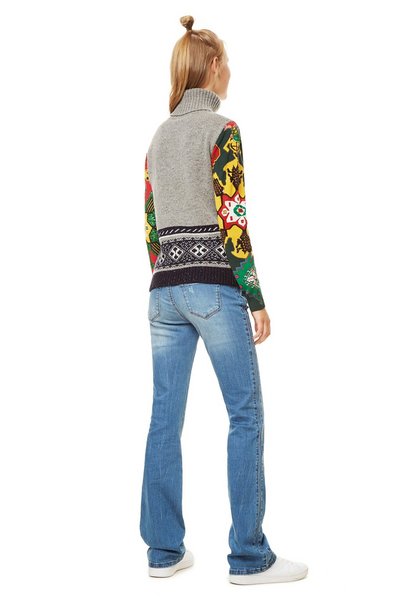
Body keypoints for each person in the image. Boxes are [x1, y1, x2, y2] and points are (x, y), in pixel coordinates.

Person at [139, 15, 308, 585]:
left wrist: (170, 276)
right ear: (211, 67)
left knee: (165, 417)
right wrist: (255, 296)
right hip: (215, 287)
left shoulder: (157, 139)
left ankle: (163, 552)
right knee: (245, 414)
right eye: (226, 62)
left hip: (164, 293)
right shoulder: (223, 130)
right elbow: (233, 221)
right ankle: (250, 557)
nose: (230, 70)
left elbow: (151, 225)